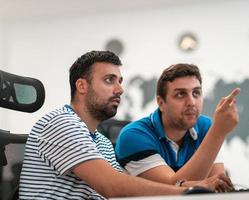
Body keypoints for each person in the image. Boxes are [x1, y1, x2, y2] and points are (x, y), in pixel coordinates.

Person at [19, 51, 198, 199]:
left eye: (119, 81)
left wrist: (197, 186)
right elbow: (113, 187)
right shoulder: (60, 123)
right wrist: (188, 192)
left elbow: (122, 189)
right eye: (109, 80)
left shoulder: (102, 142)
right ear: (82, 86)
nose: (120, 89)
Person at [115, 63, 240, 191]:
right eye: (181, 94)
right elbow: (171, 190)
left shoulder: (206, 126)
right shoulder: (133, 136)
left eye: (196, 93)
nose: (191, 102)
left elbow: (218, 186)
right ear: (161, 103)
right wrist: (217, 133)